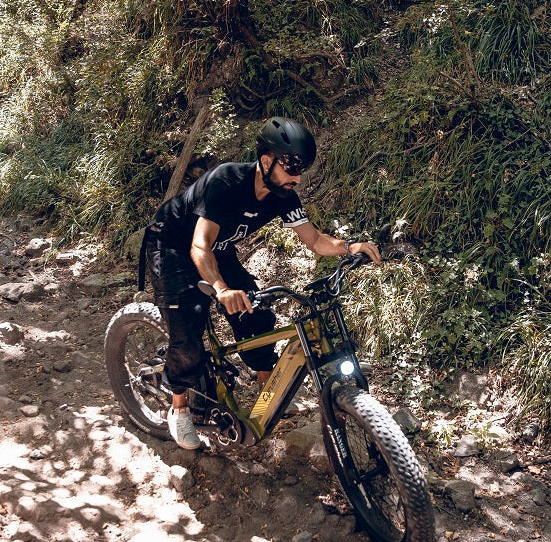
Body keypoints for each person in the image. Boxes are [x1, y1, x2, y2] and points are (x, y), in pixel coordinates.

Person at [140, 116, 381, 449]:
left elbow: (314, 240)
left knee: (258, 313)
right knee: (188, 327)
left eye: (302, 168)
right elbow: (198, 245)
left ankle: (269, 396)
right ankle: (179, 407)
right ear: (266, 159)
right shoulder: (227, 181)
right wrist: (222, 289)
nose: (297, 176)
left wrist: (349, 247)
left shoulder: (283, 196)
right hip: (172, 244)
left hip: (215, 249)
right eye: (291, 165)